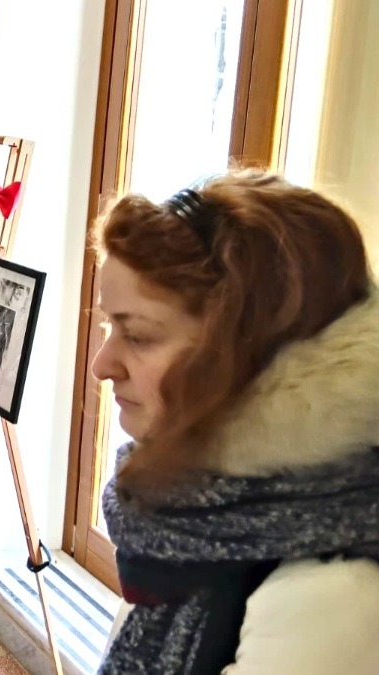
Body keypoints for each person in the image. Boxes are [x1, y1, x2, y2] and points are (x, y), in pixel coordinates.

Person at [95, 171, 379, 674]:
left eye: (137, 335)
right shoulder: (199, 519)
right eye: (109, 325)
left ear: (247, 355)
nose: (102, 363)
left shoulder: (329, 599)